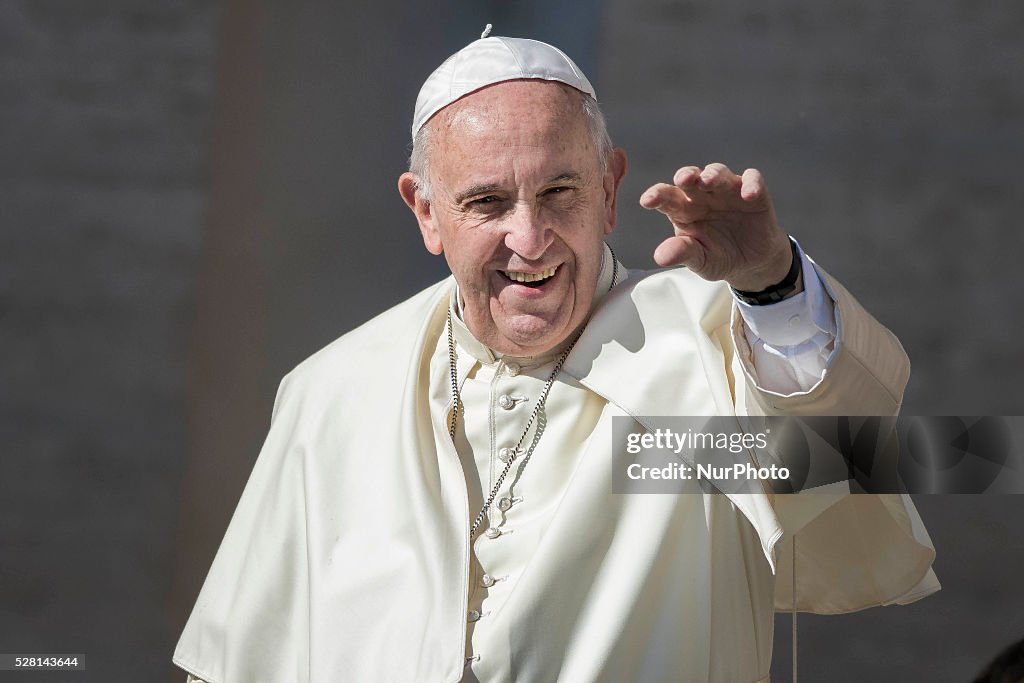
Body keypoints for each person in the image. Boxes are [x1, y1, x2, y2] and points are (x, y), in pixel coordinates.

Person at [174, 33, 939, 682]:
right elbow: (237, 658)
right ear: (426, 212)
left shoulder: (710, 348)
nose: (530, 238)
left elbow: (856, 461)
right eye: (486, 203)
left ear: (610, 191)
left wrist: (772, 286)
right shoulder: (333, 391)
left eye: (559, 192)